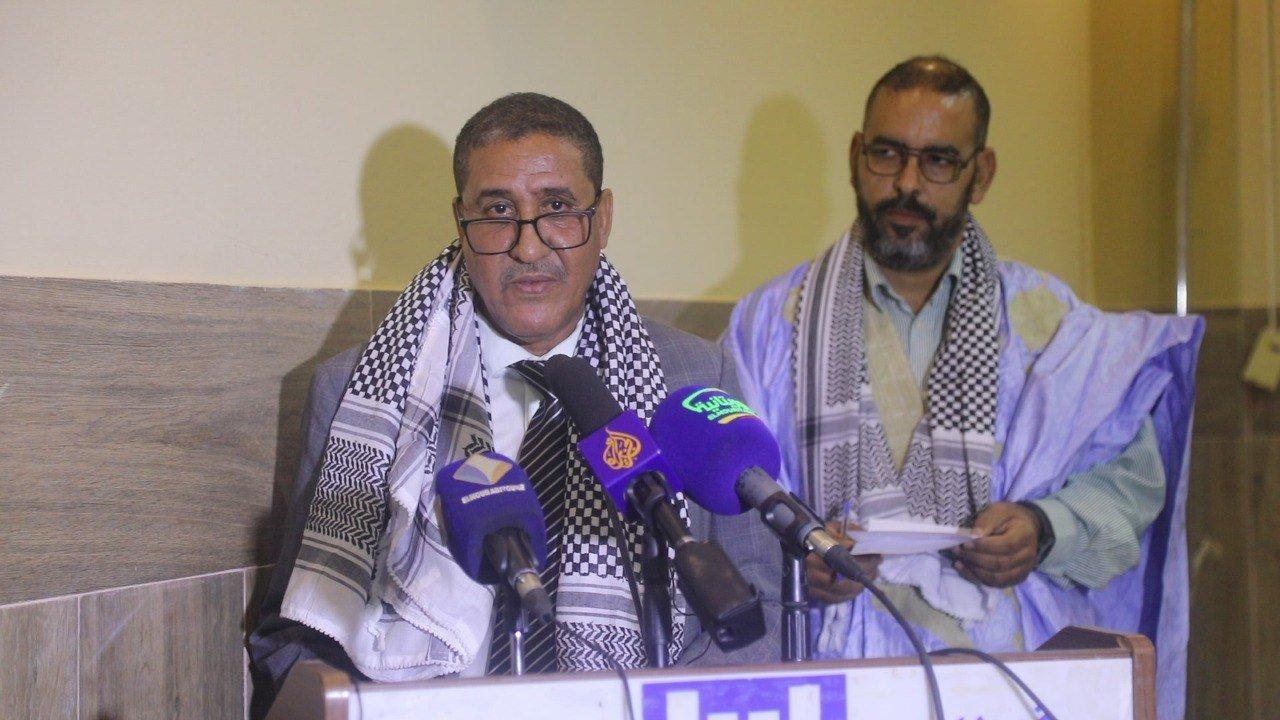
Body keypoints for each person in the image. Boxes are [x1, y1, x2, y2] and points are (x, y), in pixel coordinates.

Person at [248, 92, 780, 719]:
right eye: (498, 211)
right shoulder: (360, 390)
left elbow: (760, 610)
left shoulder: (693, 377)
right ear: (460, 222)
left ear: (603, 218)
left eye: (557, 208)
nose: (529, 248)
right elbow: (300, 630)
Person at [723, 56, 1201, 720]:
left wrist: (1044, 528)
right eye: (887, 154)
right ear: (857, 156)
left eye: (940, 161)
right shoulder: (771, 323)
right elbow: (723, 497)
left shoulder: (1049, 324)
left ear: (982, 173)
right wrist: (797, 557)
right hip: (828, 673)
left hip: (1007, 678)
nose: (907, 183)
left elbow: (1136, 482)